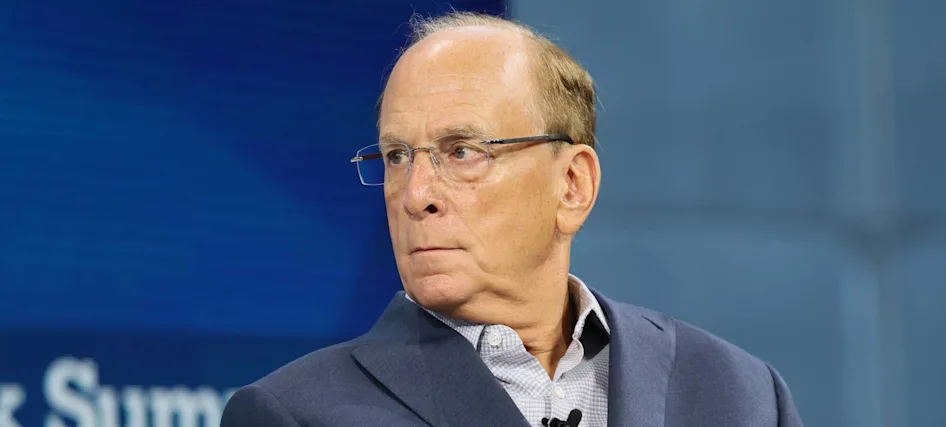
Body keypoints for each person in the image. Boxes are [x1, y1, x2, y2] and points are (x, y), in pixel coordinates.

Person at [220, 11, 804, 427]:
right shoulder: (293, 413)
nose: (416, 193)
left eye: (462, 152)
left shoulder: (741, 394)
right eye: (397, 156)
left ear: (573, 184)